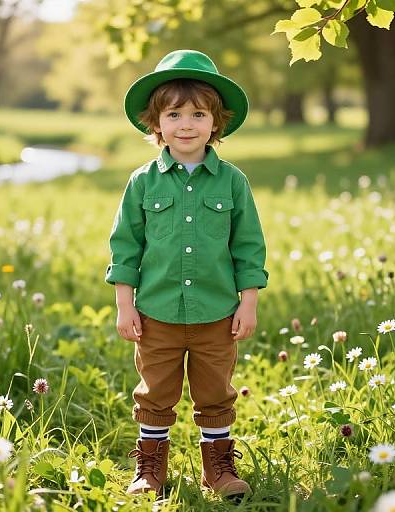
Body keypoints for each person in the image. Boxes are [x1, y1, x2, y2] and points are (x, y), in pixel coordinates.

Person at [105, 49, 268, 498]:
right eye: (174, 113)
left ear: (217, 123)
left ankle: (218, 468)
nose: (186, 124)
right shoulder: (142, 183)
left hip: (217, 312)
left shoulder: (232, 181)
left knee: (215, 393)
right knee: (155, 393)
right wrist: (125, 306)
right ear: (155, 124)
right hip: (156, 312)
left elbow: (248, 246)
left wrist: (248, 300)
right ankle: (151, 468)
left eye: (199, 113)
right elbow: (126, 247)